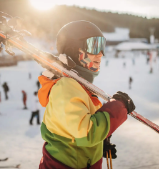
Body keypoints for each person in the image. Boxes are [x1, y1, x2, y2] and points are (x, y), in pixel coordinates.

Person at [38, 21, 136, 169]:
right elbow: (86, 133)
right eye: (94, 46)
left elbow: (77, 131)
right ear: (72, 50)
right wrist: (118, 107)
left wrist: (97, 144)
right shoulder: (66, 87)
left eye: (102, 46)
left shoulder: (79, 86)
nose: (101, 54)